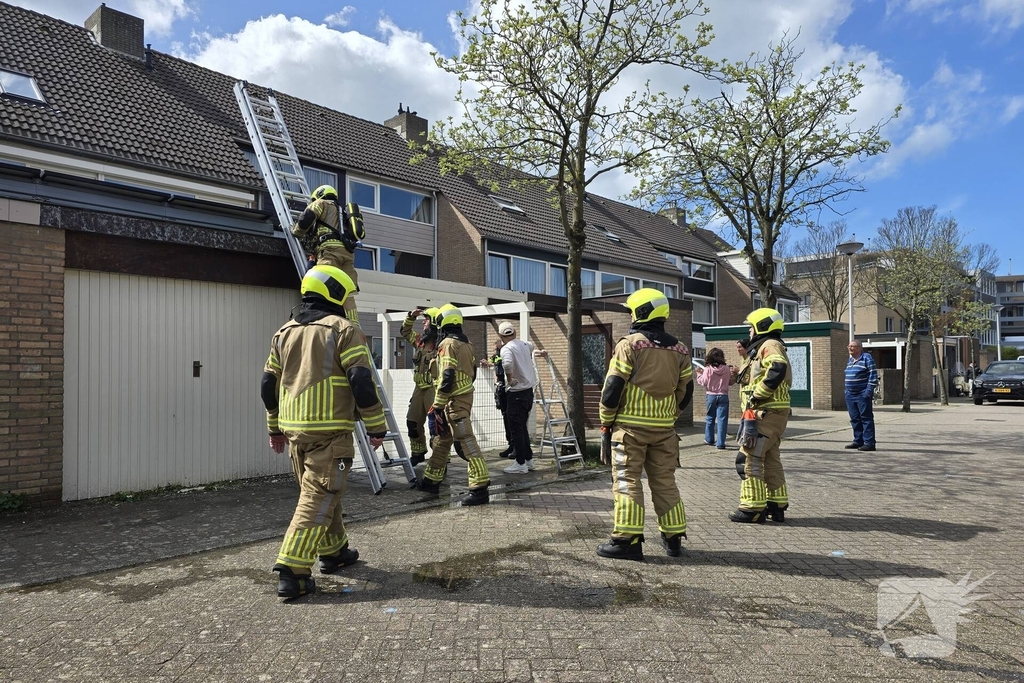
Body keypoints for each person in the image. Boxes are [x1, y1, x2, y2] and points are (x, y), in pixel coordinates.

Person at [261, 265, 386, 600]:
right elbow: (361, 380)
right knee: (319, 496)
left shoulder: (283, 332)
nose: (348, 304)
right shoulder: (344, 330)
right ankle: (293, 569)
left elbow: (268, 383)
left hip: (294, 433)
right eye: (346, 297)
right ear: (335, 293)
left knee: (325, 493)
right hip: (330, 433)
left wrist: (274, 428)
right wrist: (376, 426)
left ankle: (334, 551)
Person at [596, 289, 694, 561]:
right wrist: (670, 414)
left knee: (627, 481)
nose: (630, 315)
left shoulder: (630, 345)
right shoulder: (680, 349)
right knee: (665, 482)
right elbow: (686, 391)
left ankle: (627, 541)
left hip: (629, 430)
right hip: (665, 430)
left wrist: (606, 421)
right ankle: (674, 538)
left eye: (631, 311)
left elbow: (613, 387)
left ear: (640, 312)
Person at [416, 305, 492, 506]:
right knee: (442, 440)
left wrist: (438, 405)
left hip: (453, 402)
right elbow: (472, 373)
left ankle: (480, 488)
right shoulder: (467, 343)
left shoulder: (448, 344)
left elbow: (447, 376)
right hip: (459, 398)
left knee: (466, 440)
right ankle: (431, 480)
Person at [730, 307, 791, 524]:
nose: (749, 331)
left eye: (751, 327)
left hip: (765, 412)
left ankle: (752, 509)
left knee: (748, 458)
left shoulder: (769, 345)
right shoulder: (762, 348)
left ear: (762, 326)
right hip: (771, 413)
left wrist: (758, 395)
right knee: (770, 459)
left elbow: (777, 367)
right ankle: (776, 505)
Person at [290, 185, 365, 325]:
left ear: (319, 194)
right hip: (347, 255)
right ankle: (353, 323)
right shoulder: (343, 212)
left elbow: (307, 218)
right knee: (347, 292)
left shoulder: (321, 203)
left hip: (330, 252)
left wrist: (296, 231)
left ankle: (324, 320)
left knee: (322, 286)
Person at [400, 306, 441, 467]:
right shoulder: (420, 342)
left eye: (427, 320)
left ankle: (440, 459)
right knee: (412, 422)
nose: (424, 322)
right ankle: (418, 453)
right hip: (419, 389)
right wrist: (410, 317)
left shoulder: (441, 344)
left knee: (436, 427)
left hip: (434, 390)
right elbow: (405, 332)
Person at [496, 322, 536, 474]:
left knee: (517, 429)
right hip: (528, 393)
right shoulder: (526, 345)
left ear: (501, 336)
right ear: (514, 332)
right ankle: (528, 459)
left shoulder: (506, 348)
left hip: (516, 392)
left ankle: (520, 463)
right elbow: (531, 347)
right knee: (522, 427)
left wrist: (510, 379)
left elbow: (507, 364)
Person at [844, 339, 878, 452]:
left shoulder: (866, 358)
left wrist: (868, 392)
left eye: (852, 346)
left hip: (862, 394)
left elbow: (873, 375)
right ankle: (858, 440)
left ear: (859, 348)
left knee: (866, 418)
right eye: (849, 346)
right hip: (850, 395)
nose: (849, 348)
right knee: (854, 418)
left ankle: (869, 443)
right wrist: (846, 391)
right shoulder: (850, 360)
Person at [696, 347, 731, 449]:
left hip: (711, 395)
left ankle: (709, 439)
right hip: (723, 395)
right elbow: (730, 382)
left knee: (710, 417)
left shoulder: (708, 369)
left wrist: (699, 374)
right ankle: (720, 443)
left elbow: (704, 382)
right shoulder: (727, 368)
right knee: (722, 420)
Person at [489, 340, 516, 460]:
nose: (496, 349)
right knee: (505, 417)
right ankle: (511, 444)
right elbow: (492, 364)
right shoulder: (496, 356)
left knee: (512, 418)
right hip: (501, 389)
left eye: (497, 347)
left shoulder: (507, 354)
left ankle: (515, 446)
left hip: (509, 388)